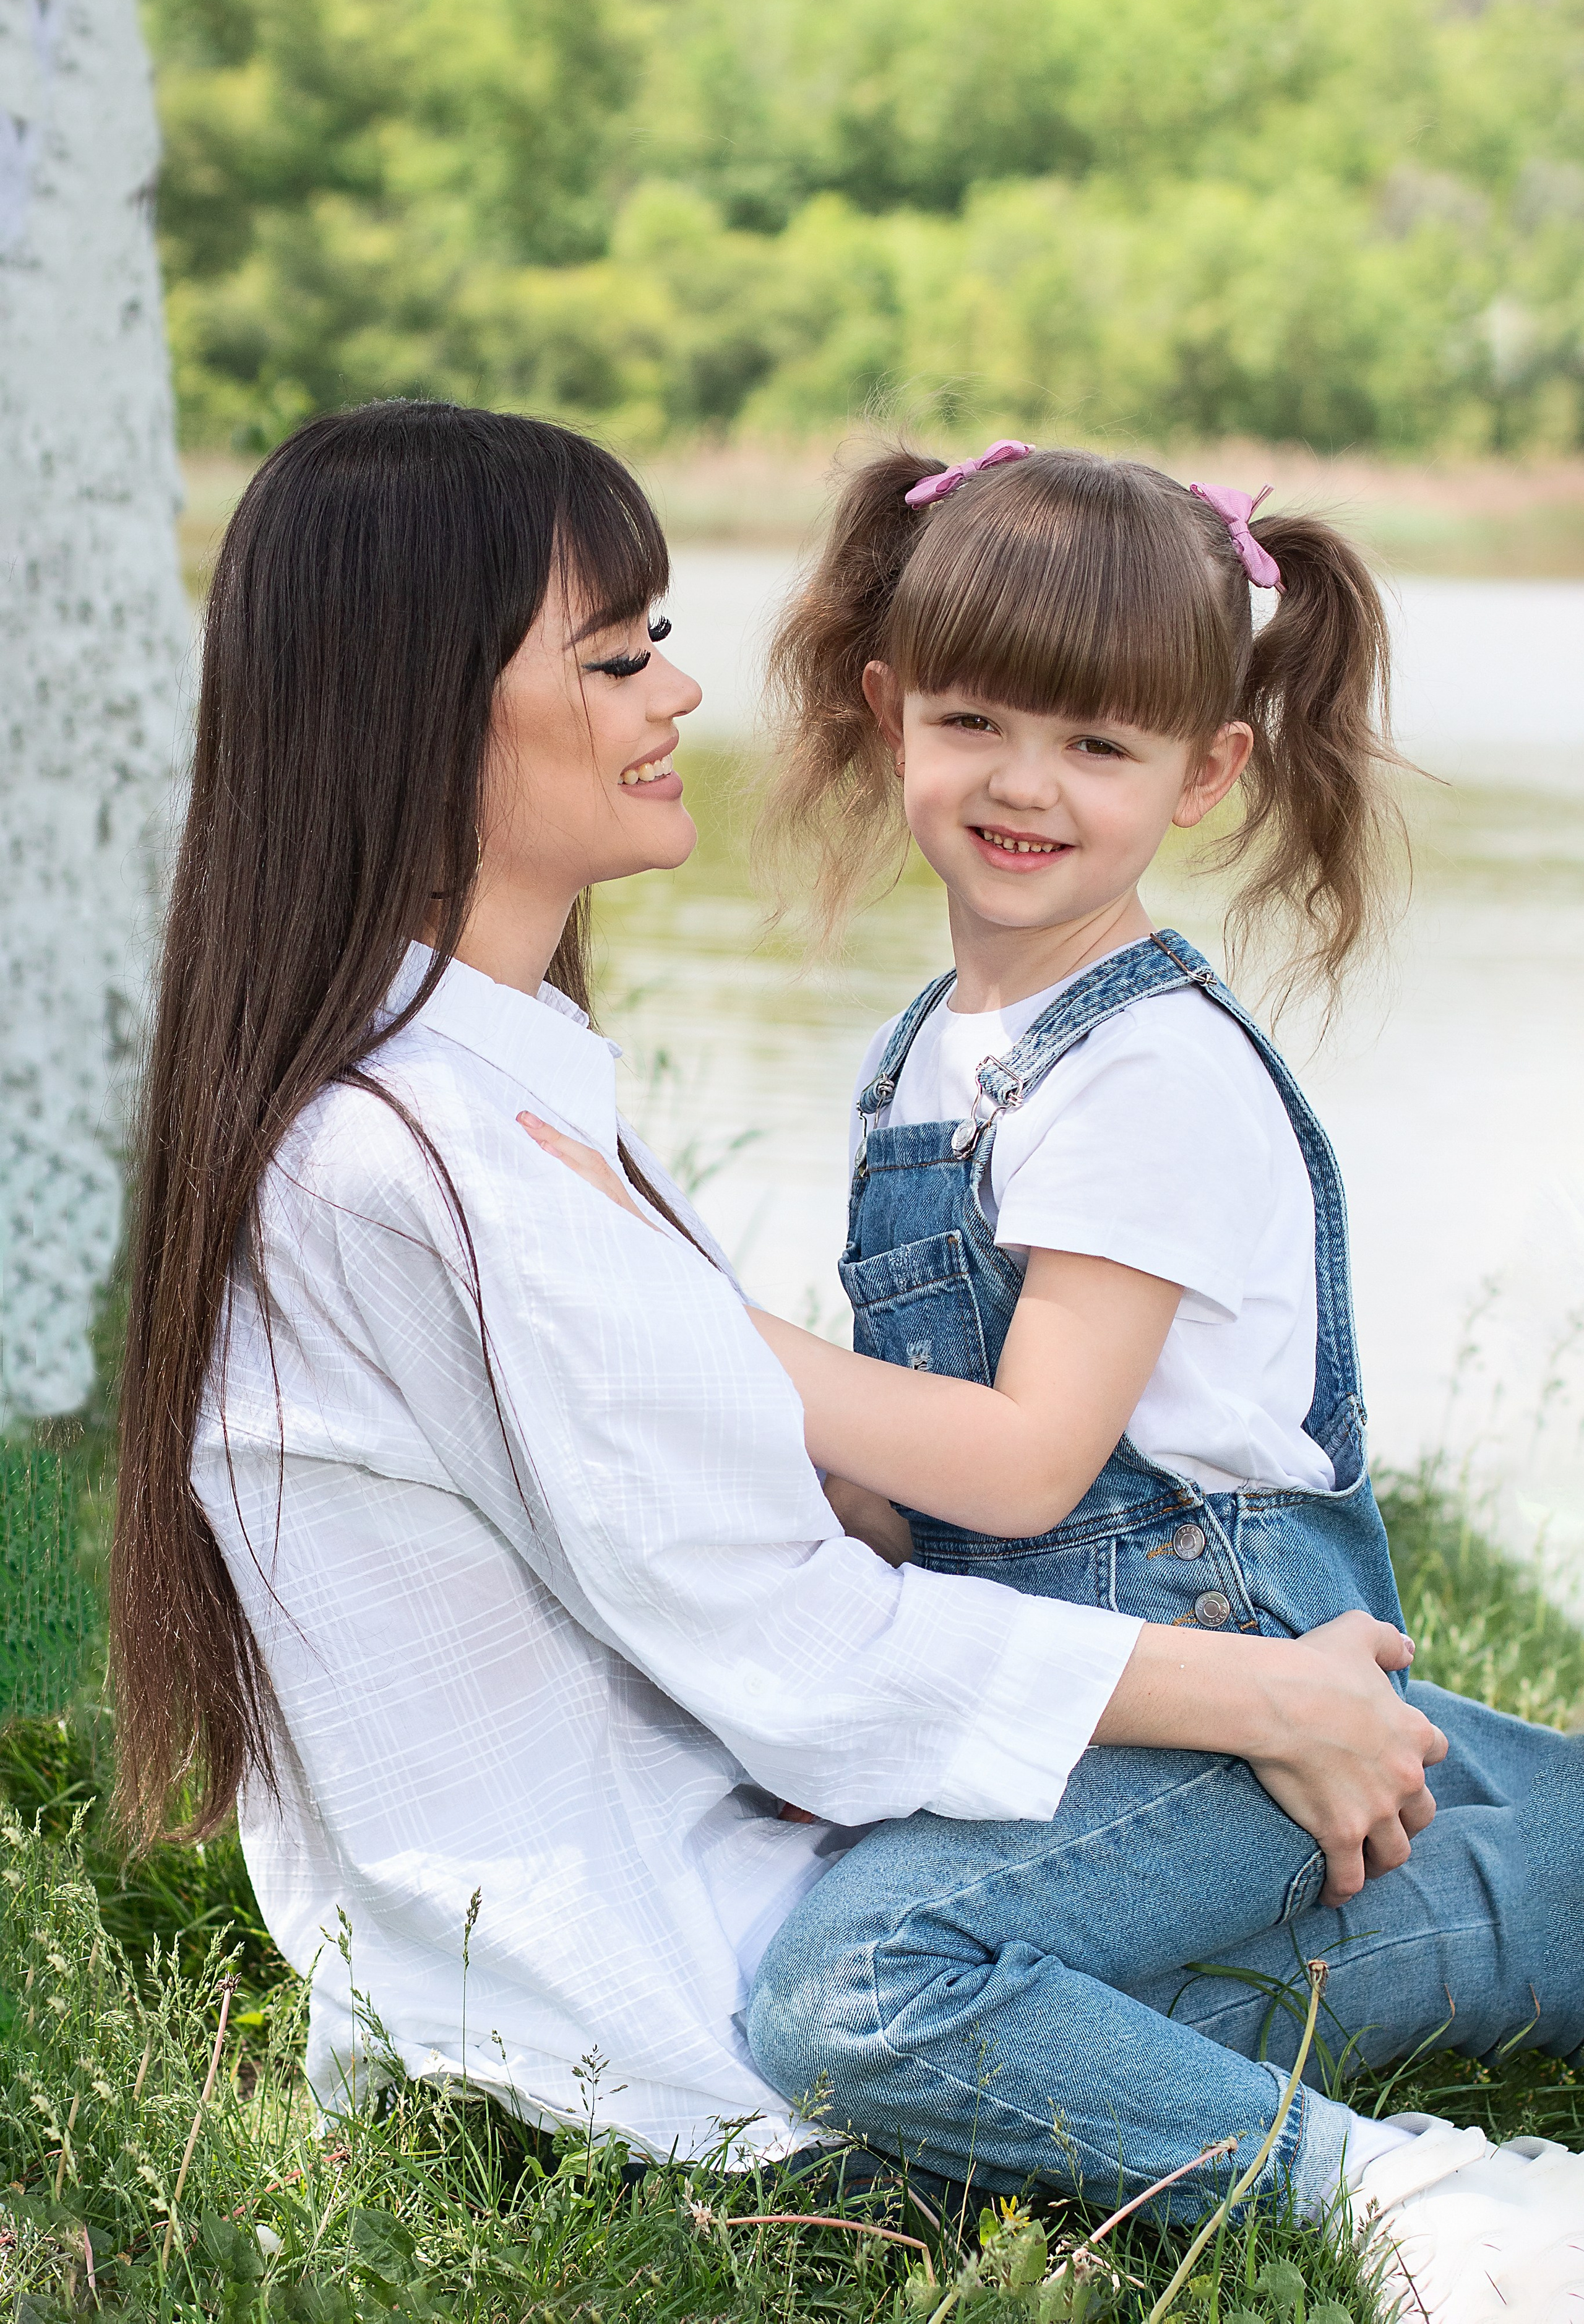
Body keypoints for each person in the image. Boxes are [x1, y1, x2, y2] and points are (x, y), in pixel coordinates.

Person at [106, 403, 1565, 2324]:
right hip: (714, 1912)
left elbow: (895, 1486)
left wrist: (1259, 1680)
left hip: (1026, 1678)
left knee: (1356, 1790)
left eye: (662, 641)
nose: (678, 692)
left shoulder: (486, 1092)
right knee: (992, 2000)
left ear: (1199, 775)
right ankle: (1421, 2189)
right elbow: (791, 1635)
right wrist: (1259, 1699)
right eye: (618, 655)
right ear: (416, 706)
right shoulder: (428, 1161)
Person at [525, 441, 1584, 2318]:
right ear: (886, 713)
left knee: (855, 2000)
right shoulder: (935, 1045)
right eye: (978, 719)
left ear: (1207, 771)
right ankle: (1545, 1878)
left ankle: (1394, 2184)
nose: (1025, 784)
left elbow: (1022, 1468)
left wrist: (682, 1323)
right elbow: (924, 1470)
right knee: (925, 2041)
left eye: (1098, 748)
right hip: (1081, 1684)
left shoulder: (1141, 1073)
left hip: (1231, 1669)